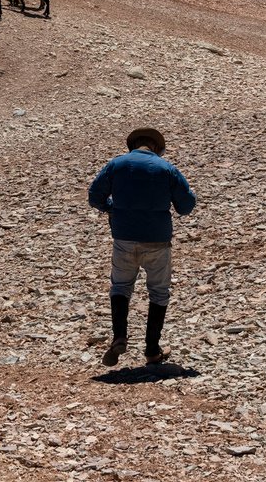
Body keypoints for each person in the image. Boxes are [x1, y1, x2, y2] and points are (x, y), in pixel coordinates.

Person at [88, 127, 196, 366]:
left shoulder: (117, 165)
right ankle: (151, 350)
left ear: (134, 144)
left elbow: (95, 196)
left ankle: (119, 336)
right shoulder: (166, 168)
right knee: (159, 292)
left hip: (124, 238)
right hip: (157, 240)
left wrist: (112, 208)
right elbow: (185, 206)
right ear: (157, 146)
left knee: (121, 287)